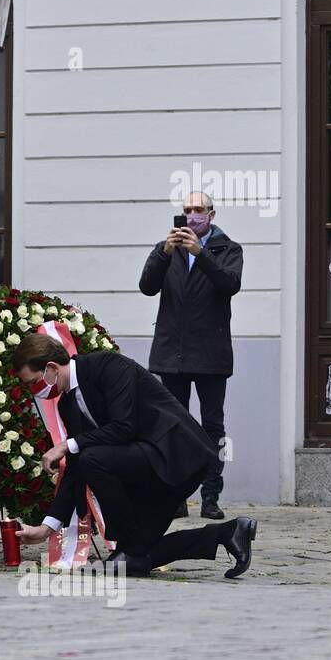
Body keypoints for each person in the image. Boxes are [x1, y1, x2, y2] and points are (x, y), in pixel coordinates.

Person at [9, 333, 256, 579]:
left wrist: (67, 444)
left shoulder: (107, 366)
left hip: (177, 456)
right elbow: (75, 469)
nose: (34, 391)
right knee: (136, 559)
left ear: (51, 368)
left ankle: (125, 543)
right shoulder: (67, 404)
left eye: (33, 383)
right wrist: (46, 528)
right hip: (147, 466)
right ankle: (230, 532)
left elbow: (124, 426)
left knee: (91, 458)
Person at [139, 191, 243, 521]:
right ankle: (176, 497)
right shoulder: (166, 248)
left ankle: (210, 496)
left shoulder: (228, 249)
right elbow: (147, 286)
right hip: (172, 354)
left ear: (211, 215)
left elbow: (230, 284)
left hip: (211, 353)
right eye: (187, 210)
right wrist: (164, 253)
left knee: (213, 425)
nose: (192, 215)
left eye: (198, 209)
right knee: (173, 426)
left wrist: (203, 254)